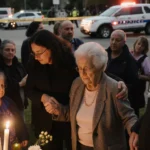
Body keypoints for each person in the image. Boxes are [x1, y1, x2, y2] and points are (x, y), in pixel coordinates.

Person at [26, 30, 128, 150]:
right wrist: (43, 97)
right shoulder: (34, 64)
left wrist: (119, 82)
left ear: (51, 48)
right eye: (34, 53)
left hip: (69, 117)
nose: (36, 57)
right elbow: (29, 90)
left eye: (39, 52)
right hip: (44, 120)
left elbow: (96, 71)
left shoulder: (69, 62)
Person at [43, 42, 138, 150]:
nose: (82, 74)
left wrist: (135, 131)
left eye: (87, 68)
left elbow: (128, 117)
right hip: (79, 146)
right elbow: (73, 113)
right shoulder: (77, 84)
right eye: (79, 68)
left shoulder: (113, 88)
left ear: (100, 67)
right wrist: (58, 110)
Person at [105, 30, 139, 115]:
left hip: (120, 101)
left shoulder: (129, 61)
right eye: (112, 39)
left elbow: (132, 84)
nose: (113, 42)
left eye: (117, 40)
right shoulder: (103, 55)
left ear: (124, 42)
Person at [0, 71, 29, 149]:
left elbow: (19, 121)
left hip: (11, 144)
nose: (1, 89)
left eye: (2, 86)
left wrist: (23, 136)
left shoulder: (9, 103)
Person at [0, 40, 28, 116]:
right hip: (4, 104)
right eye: (7, 50)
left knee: (20, 124)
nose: (10, 52)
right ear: (1, 51)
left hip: (19, 101)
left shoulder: (19, 65)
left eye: (13, 50)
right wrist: (19, 84)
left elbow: (25, 79)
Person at [130, 36, 150, 116]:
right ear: (135, 44)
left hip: (137, 92)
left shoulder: (144, 60)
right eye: (138, 44)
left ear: (145, 48)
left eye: (142, 46)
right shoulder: (128, 55)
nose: (139, 46)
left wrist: (139, 76)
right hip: (127, 89)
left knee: (134, 113)